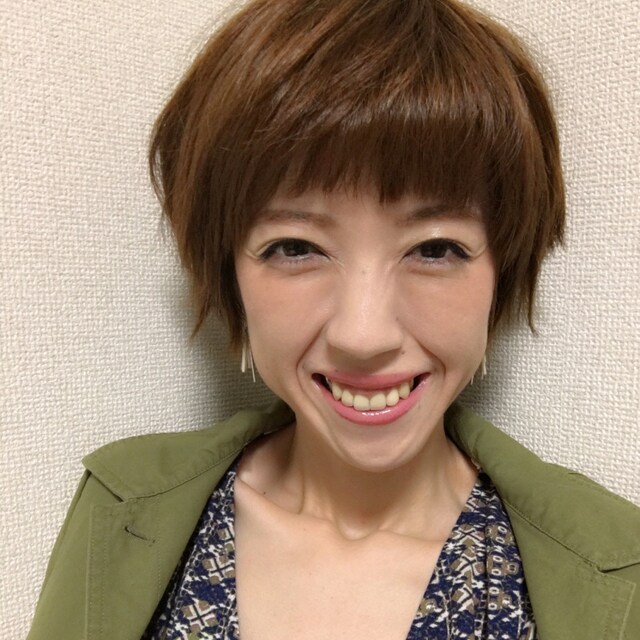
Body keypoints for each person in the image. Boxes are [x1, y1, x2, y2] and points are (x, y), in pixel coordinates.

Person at [28, 0, 640, 638]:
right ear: (229, 274)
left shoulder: (615, 574)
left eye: (435, 249)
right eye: (295, 247)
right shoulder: (120, 508)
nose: (363, 334)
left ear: (502, 274)